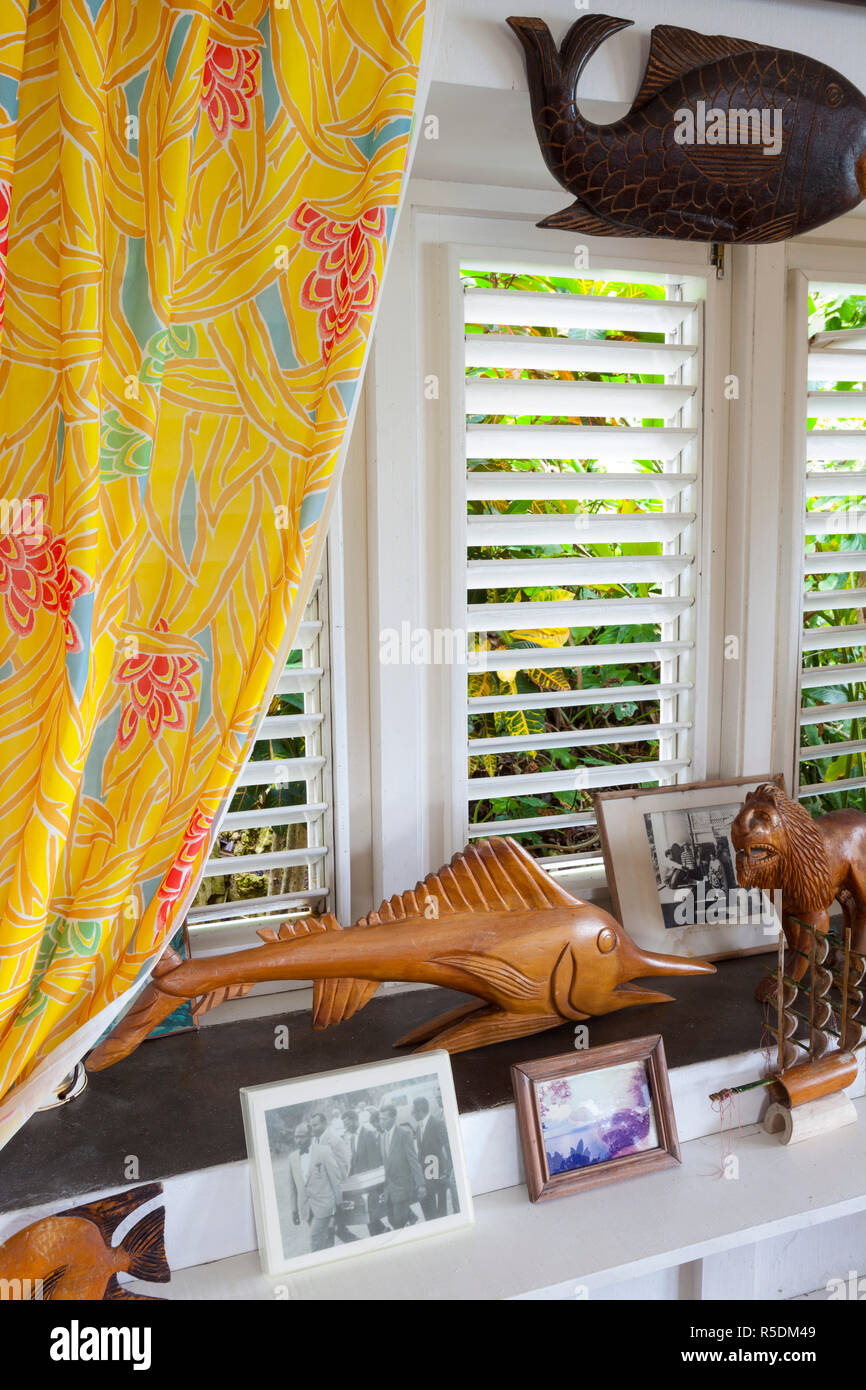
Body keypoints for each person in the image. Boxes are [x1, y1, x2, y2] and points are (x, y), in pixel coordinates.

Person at [286, 1122, 343, 1252]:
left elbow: (335, 1179)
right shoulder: (292, 1158)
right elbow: (292, 1188)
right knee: (326, 1239)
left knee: (314, 1239)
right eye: (296, 1137)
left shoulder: (324, 1151)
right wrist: (294, 1210)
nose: (298, 1140)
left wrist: (338, 1204)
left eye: (302, 1137)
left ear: (311, 1135)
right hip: (306, 1208)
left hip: (324, 1205)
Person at [380, 1105, 425, 1230]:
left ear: (393, 1118)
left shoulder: (404, 1134)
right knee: (391, 1219)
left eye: (384, 1119)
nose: (381, 1122)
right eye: (380, 1119)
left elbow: (413, 1160)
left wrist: (420, 1184)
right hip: (391, 1187)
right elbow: (386, 1165)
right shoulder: (382, 1137)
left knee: (399, 1222)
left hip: (404, 1185)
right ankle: (412, 1218)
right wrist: (386, 1187)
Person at [412, 1096, 452, 1219]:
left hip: (439, 1171)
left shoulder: (437, 1124)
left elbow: (447, 1147)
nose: (412, 1114)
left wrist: (446, 1171)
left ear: (420, 1110)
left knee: (441, 1207)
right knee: (428, 1204)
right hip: (427, 1172)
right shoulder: (418, 1127)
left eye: (413, 1111)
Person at [310, 1109, 350, 1179]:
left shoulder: (335, 1141)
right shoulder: (314, 1141)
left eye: (315, 1125)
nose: (312, 1129)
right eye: (312, 1126)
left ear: (325, 1123)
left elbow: (343, 1167)